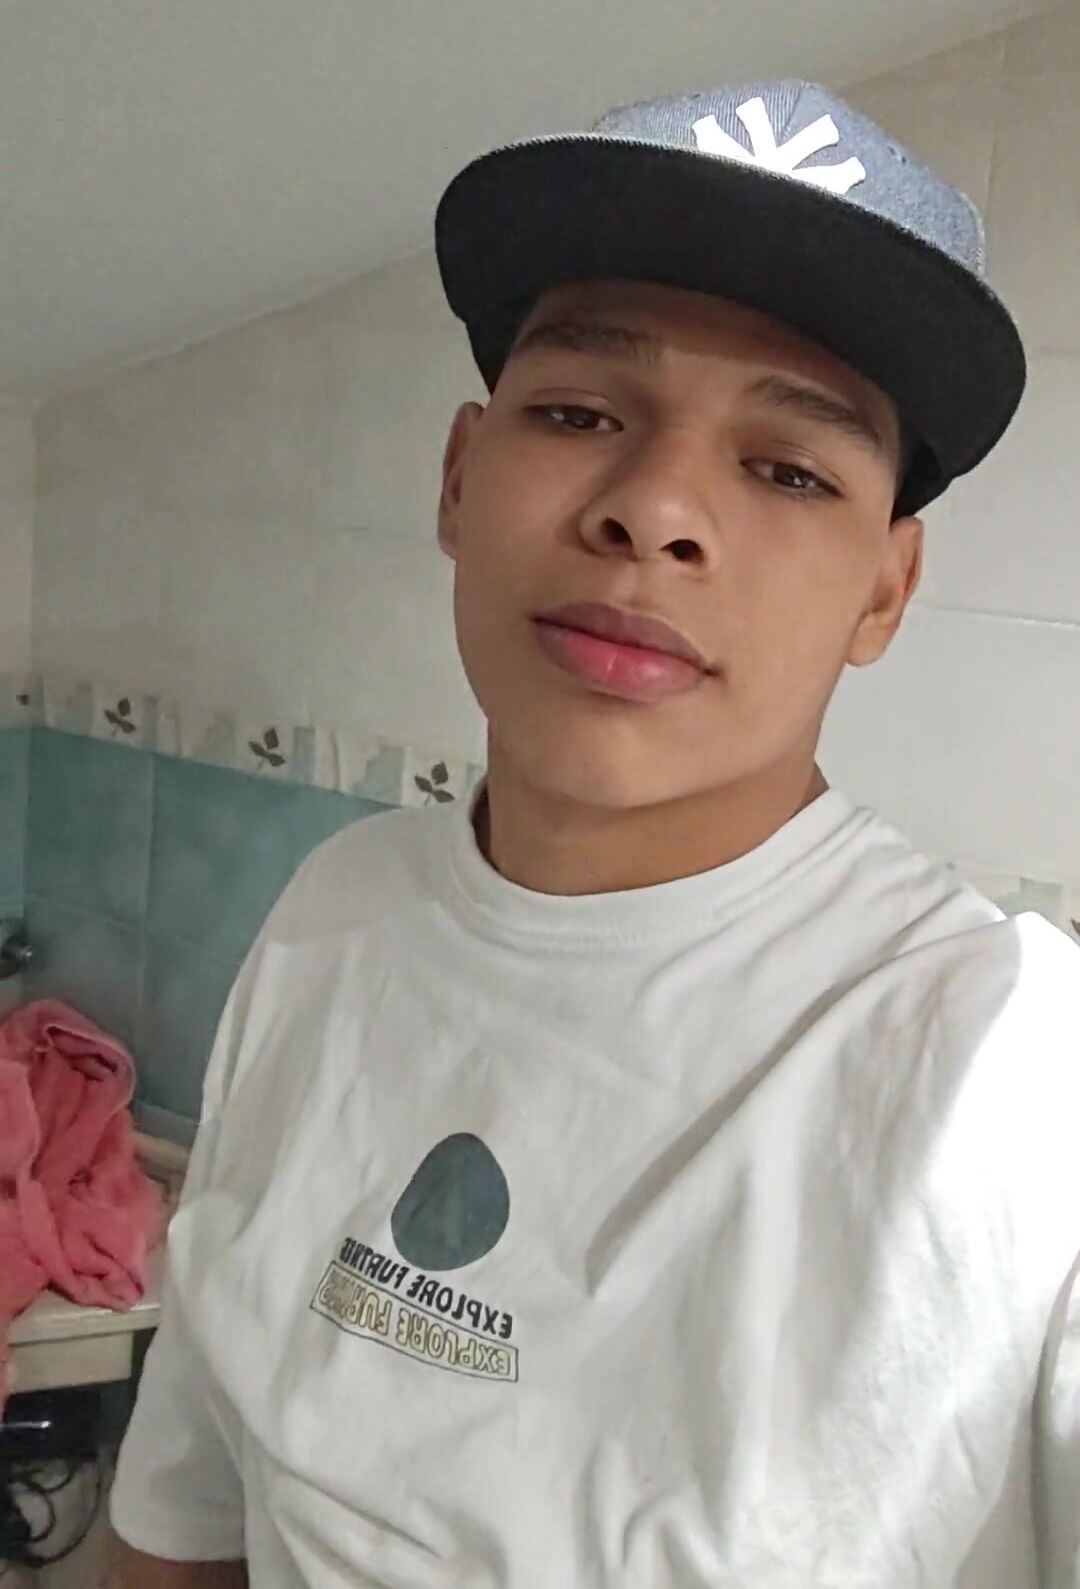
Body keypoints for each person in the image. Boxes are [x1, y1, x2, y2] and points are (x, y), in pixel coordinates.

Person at [106, 82, 1080, 1588]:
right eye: (578, 413)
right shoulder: (335, 916)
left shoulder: (1006, 1078)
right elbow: (184, 1521)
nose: (656, 510)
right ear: (458, 477)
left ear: (884, 592)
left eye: (789, 468)